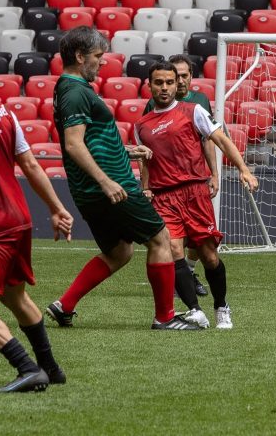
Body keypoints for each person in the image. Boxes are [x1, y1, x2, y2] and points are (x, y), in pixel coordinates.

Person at [46, 26, 198, 331]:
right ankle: (165, 318)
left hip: (92, 189)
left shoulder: (70, 89)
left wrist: (124, 150)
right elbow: (74, 144)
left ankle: (64, 306)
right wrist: (106, 181)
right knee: (160, 239)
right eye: (98, 56)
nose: (103, 62)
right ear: (79, 56)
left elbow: (89, 140)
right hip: (109, 187)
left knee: (119, 251)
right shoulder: (75, 91)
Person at [134, 61, 258, 329]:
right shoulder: (141, 125)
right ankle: (194, 310)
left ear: (177, 82)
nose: (165, 87)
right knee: (173, 249)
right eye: (159, 82)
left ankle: (221, 307)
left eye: (170, 81)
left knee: (209, 257)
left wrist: (243, 169)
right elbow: (145, 161)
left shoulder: (193, 111)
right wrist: (145, 186)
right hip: (163, 197)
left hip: (195, 193)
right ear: (150, 85)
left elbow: (221, 140)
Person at [0, 99, 73, 392]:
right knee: (14, 297)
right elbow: (29, 164)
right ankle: (50, 369)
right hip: (18, 218)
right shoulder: (3, 113)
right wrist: (56, 208)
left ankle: (27, 367)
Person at [143, 54, 212, 298]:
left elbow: (208, 140)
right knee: (173, 240)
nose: (179, 81)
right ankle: (182, 282)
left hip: (194, 182)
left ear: (191, 77)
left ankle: (190, 272)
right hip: (167, 185)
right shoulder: (153, 105)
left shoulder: (199, 102)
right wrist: (146, 185)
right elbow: (148, 148)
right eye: (176, 76)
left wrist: (213, 174)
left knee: (200, 242)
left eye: (183, 76)